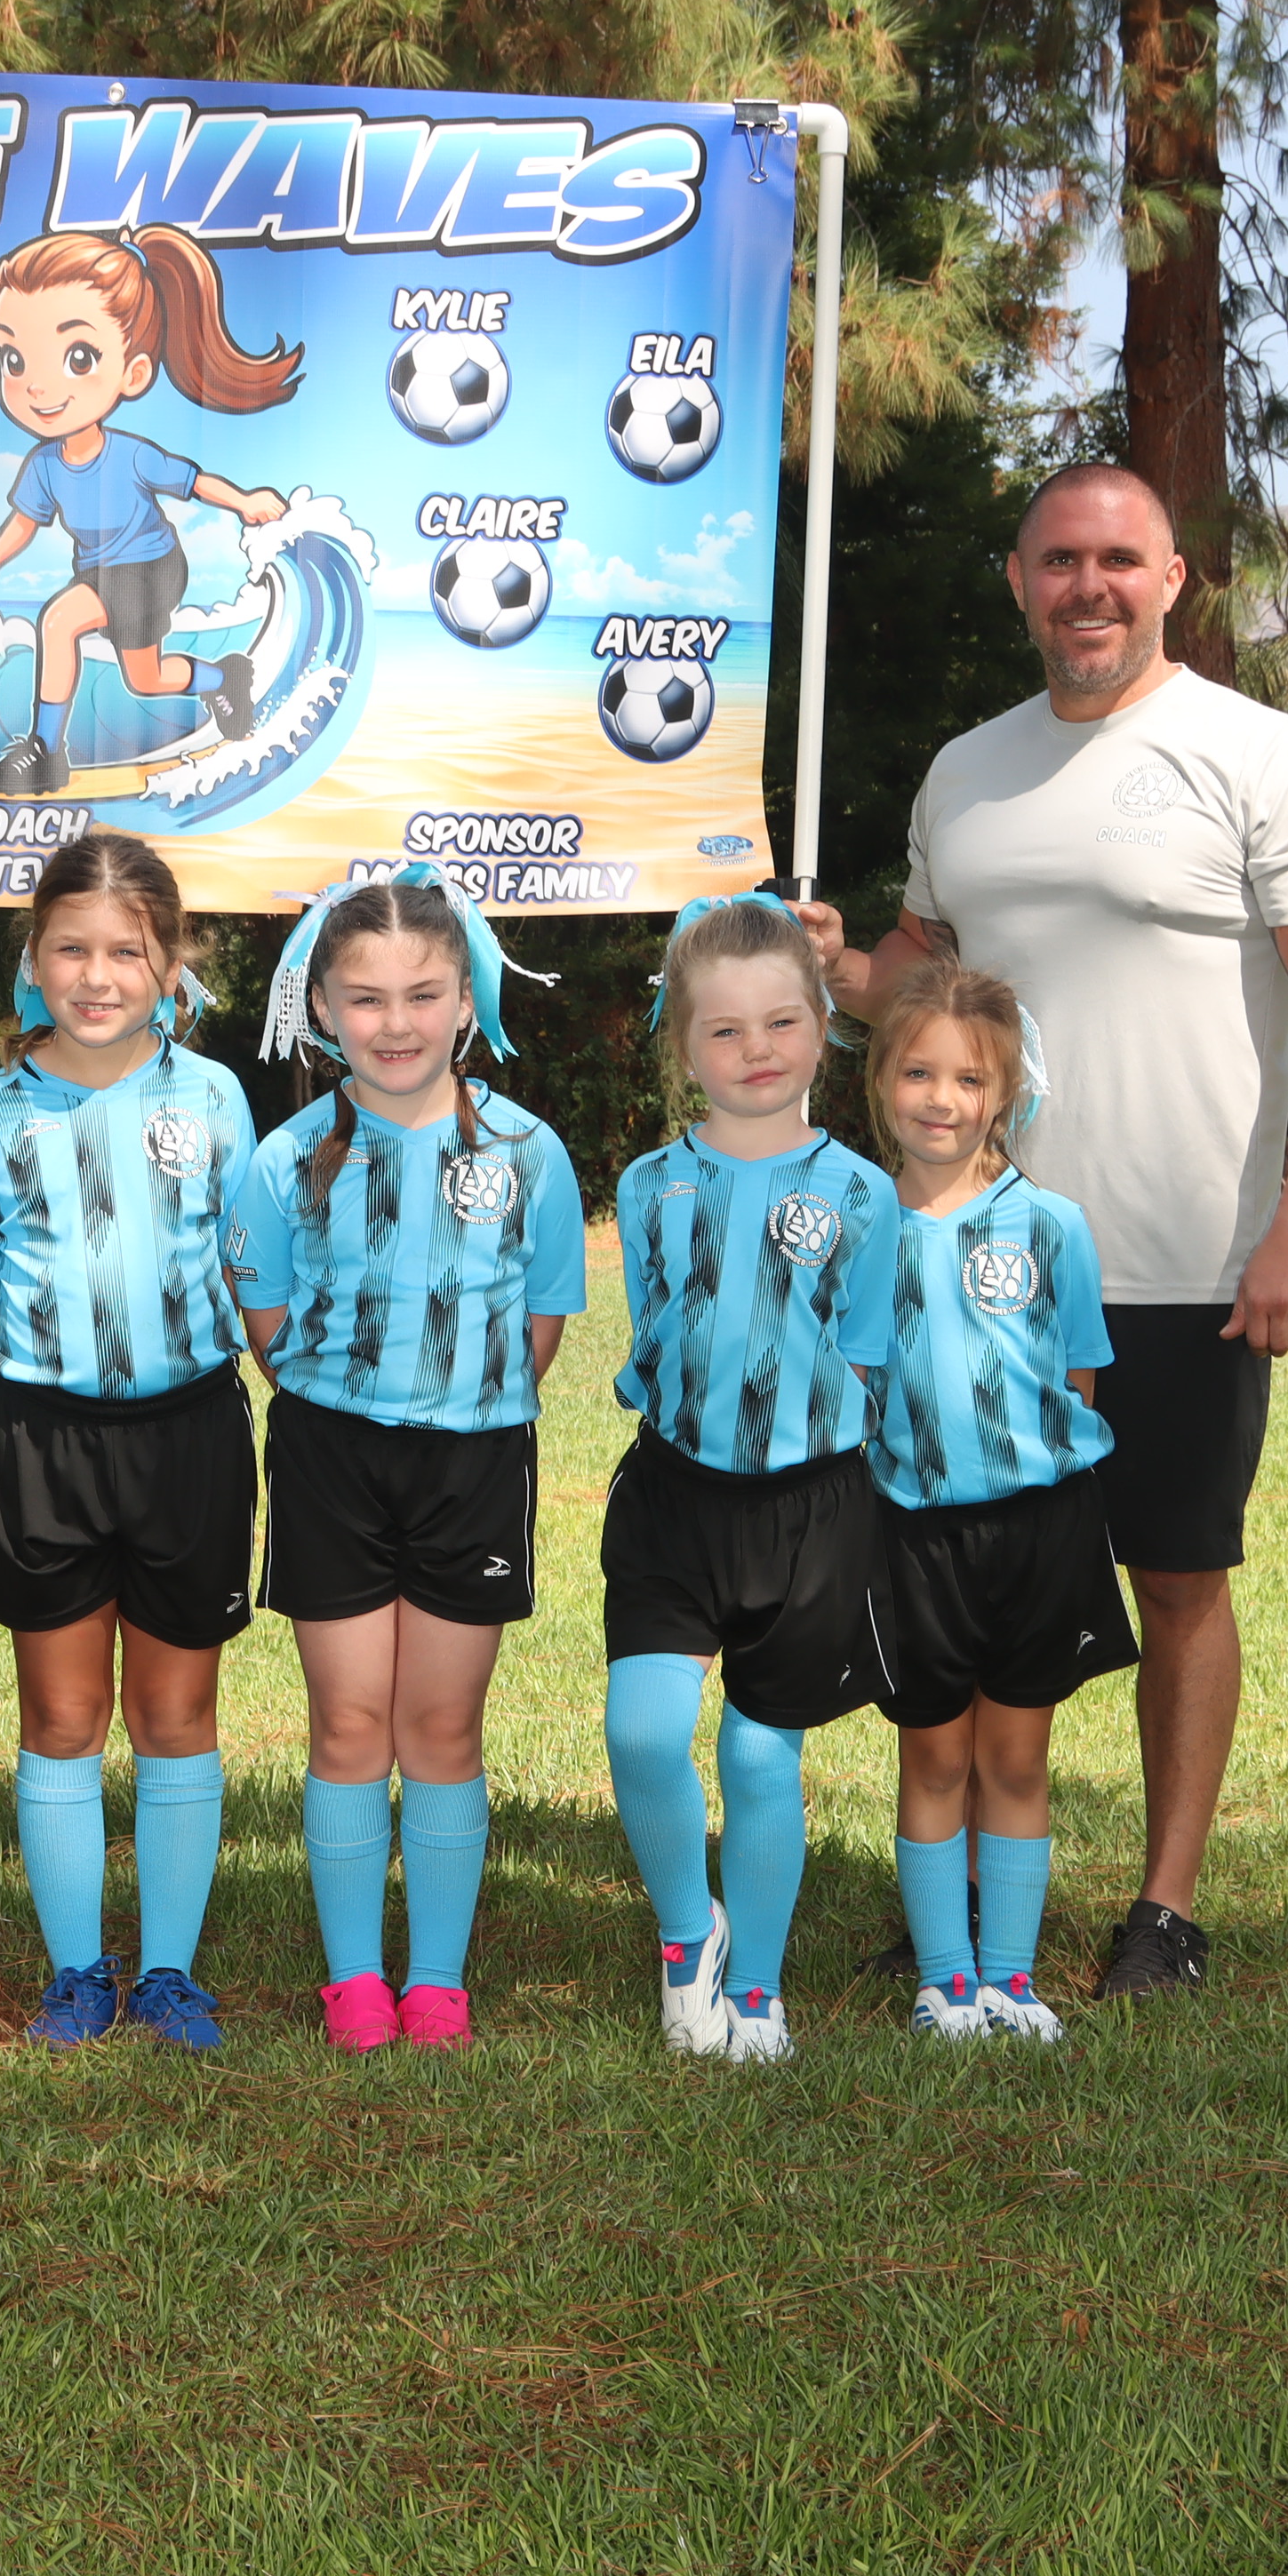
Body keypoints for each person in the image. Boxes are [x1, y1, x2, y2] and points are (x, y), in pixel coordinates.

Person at [803, 460, 1288, 2000]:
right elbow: (930, 970)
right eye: (1059, 559)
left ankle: (1164, 1911)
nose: (1090, 587)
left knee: (1177, 1579)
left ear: (1173, 579)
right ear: (1018, 580)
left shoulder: (1265, 759)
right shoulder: (968, 771)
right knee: (977, 1572)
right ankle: (970, 1894)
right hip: (972, 1266)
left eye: (1120, 560)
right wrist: (839, 968)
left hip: (1185, 1266)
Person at [224, 867, 584, 2054]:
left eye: (423, 994)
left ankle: (434, 1982)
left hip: (474, 1463)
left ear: (467, 1000)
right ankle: (353, 1982)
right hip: (331, 1459)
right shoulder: (285, 1157)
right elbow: (267, 1319)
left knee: (439, 1724)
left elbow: (540, 1320)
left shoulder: (528, 1151)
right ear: (323, 1007)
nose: (395, 1023)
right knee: (348, 1721)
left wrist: (453, 1399)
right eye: (366, 997)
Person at [0, 833, 259, 2054]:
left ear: (170, 964)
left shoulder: (215, 1097)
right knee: (64, 1714)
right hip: (41, 1441)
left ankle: (172, 1972)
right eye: (71, 948)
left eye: (127, 951)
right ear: (33, 957)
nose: (97, 975)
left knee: (176, 1714)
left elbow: (246, 1263)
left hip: (188, 1435)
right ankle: (77, 1971)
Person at [600, 896, 902, 2067]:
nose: (756, 1049)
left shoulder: (863, 1194)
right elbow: (656, 1332)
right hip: (674, 1501)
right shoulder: (647, 1186)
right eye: (723, 1030)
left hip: (811, 1512)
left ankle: (762, 1989)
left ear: (823, 1026)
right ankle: (691, 1934)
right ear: (684, 1047)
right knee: (643, 1734)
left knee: (762, 1754)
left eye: (781, 1022)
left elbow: (868, 1355)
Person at [853, 966, 1136, 2046]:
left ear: (1007, 1092)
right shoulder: (860, 1224)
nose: (942, 1098)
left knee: (1015, 1759)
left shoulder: (1051, 1225)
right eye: (918, 1071)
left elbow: (1079, 1381)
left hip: (1037, 1532)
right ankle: (943, 1980)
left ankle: (1010, 1979)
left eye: (969, 1078)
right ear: (881, 1079)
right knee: (933, 1758)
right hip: (910, 1534)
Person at [0, 227, 299, 798]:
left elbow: (194, 484)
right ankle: (56, 748)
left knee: (114, 658)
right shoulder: (44, 464)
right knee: (118, 660)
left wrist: (244, 502)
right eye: (13, 359)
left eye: (77, 357)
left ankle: (205, 684)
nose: (36, 385)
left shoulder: (131, 455)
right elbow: (25, 522)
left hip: (151, 569)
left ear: (133, 374)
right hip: (100, 573)